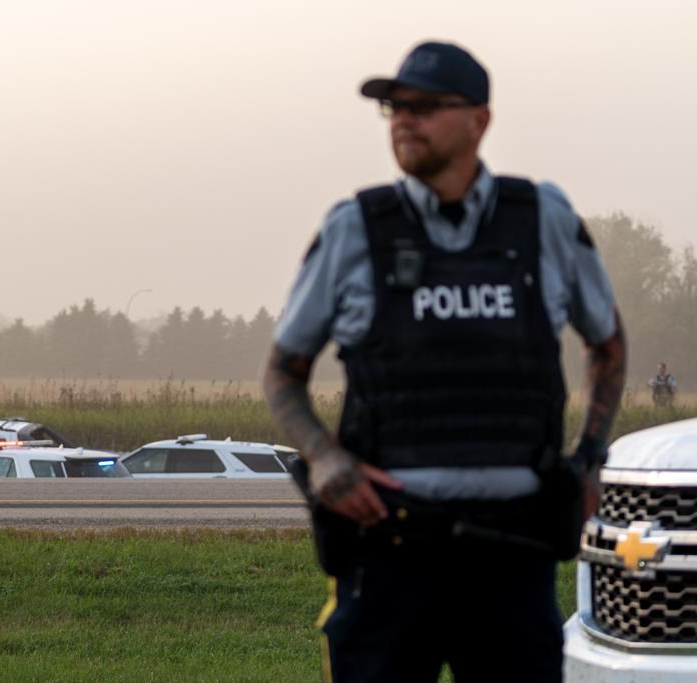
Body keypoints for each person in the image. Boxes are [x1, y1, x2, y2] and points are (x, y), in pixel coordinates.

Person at [262, 41, 626, 683]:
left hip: (515, 556)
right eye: (394, 107)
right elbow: (283, 372)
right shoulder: (355, 228)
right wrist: (325, 458)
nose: (404, 119)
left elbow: (609, 344)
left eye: (425, 106)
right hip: (387, 557)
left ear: (479, 120)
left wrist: (590, 457)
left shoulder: (542, 218)